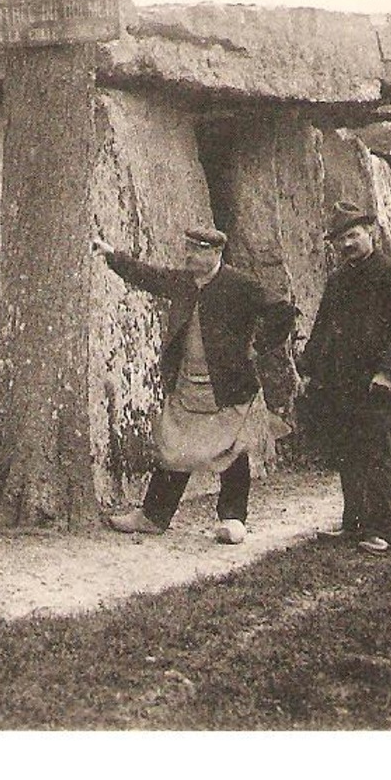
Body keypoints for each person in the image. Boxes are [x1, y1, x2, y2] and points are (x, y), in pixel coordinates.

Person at [93, 227, 297, 544]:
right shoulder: (183, 282)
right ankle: (153, 516)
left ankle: (233, 519)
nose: (190, 256)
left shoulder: (239, 284)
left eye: (198, 251)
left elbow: (282, 311)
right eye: (188, 249)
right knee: (174, 446)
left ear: (215, 254)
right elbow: (149, 276)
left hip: (228, 385)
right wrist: (112, 256)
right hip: (187, 382)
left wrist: (258, 345)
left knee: (230, 448)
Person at [299, 201, 391, 557]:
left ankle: (384, 530)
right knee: (348, 455)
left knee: (379, 456)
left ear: (371, 233)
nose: (347, 244)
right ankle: (353, 524)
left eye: (353, 235)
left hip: (379, 386)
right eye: (340, 240)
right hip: (343, 384)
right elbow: (323, 330)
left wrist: (387, 373)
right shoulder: (338, 281)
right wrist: (309, 369)